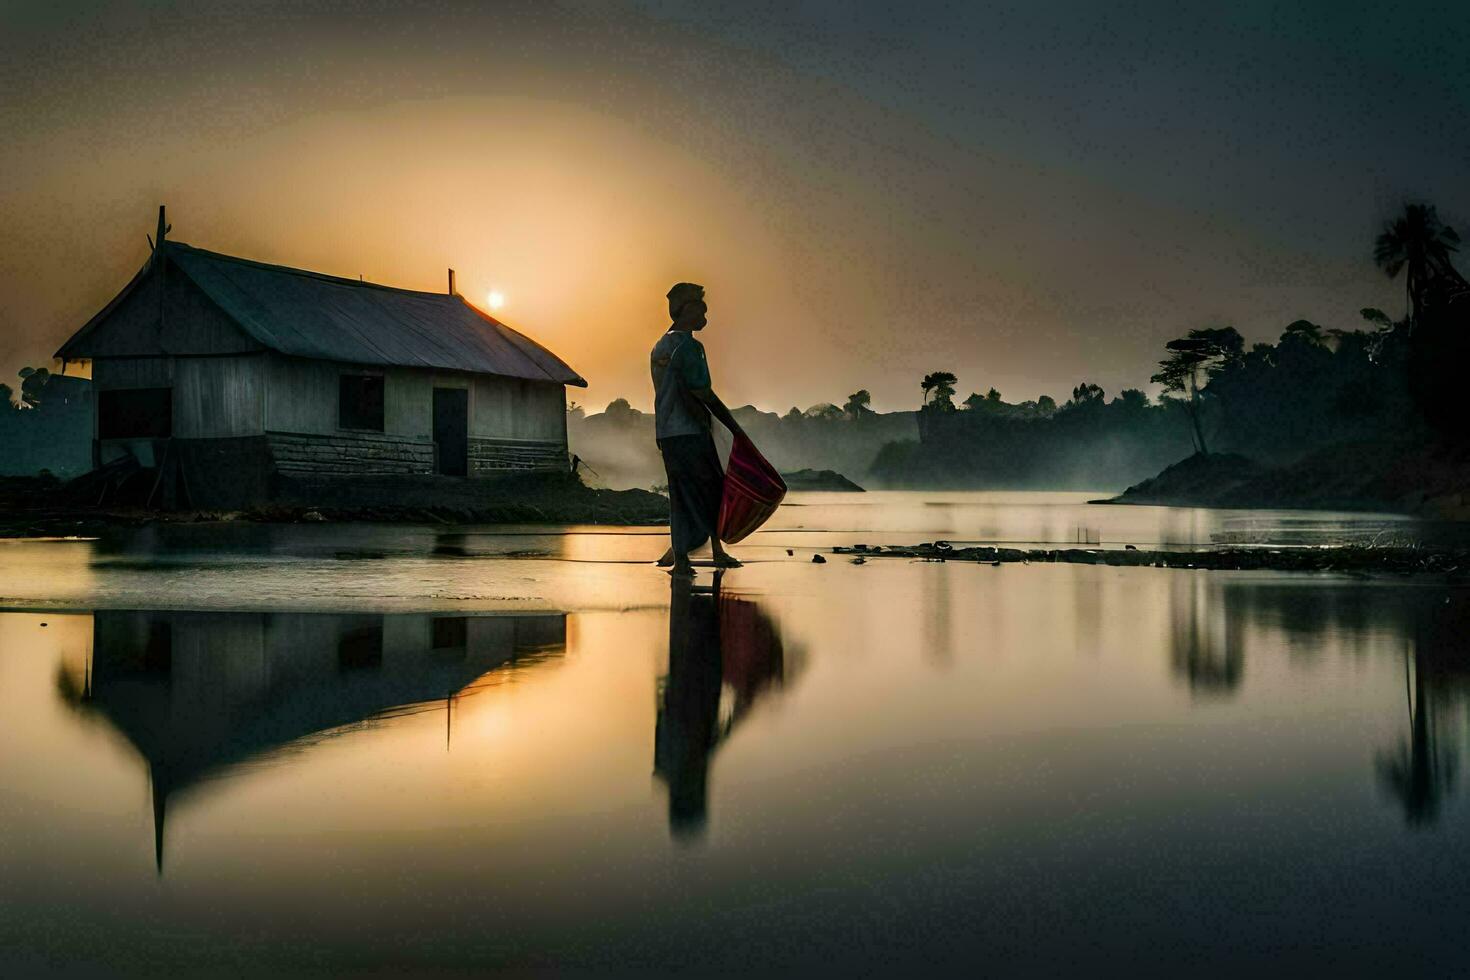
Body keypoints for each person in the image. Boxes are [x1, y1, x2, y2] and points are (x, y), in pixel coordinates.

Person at [651, 281, 744, 576]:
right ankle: (717, 551)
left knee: (680, 496)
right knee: (711, 490)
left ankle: (682, 559)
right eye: (701, 309)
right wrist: (732, 425)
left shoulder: (660, 346)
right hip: (691, 432)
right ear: (687, 310)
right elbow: (702, 392)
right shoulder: (690, 347)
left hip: (667, 433)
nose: (705, 316)